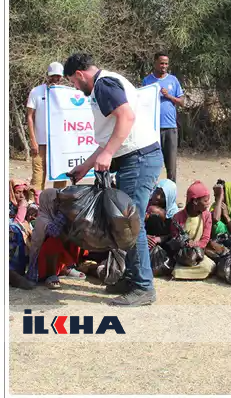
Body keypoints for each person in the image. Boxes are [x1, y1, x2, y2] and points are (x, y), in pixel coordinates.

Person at [62, 53, 163, 306]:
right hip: (134, 158)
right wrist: (85, 167)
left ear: (79, 75)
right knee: (123, 222)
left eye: (73, 82)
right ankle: (131, 278)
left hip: (139, 159)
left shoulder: (103, 84)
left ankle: (142, 287)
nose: (75, 87)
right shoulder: (104, 84)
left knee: (129, 222)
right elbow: (109, 136)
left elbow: (126, 118)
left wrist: (107, 153)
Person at [141, 53, 184, 184]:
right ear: (155, 63)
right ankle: (153, 196)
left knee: (171, 165)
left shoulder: (173, 80)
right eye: (161, 63)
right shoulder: (147, 81)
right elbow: (142, 102)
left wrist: (169, 96)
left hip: (170, 127)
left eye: (166, 63)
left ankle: (170, 195)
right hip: (153, 129)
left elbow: (181, 101)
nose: (164, 66)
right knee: (153, 164)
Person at [25, 63, 65, 191]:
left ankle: (58, 205)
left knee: (60, 174)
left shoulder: (66, 93)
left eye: (58, 76)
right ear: (48, 75)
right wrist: (33, 141)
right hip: (40, 141)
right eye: (53, 76)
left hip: (60, 142)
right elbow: (30, 116)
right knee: (38, 173)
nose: (55, 79)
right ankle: (35, 204)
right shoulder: (36, 91)